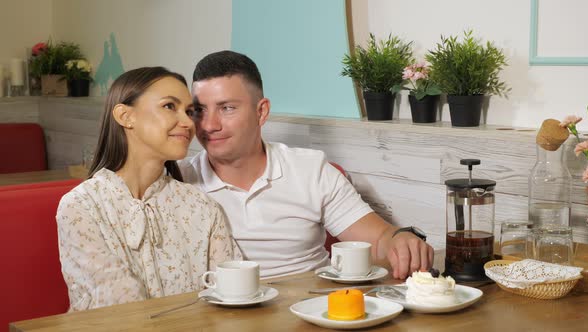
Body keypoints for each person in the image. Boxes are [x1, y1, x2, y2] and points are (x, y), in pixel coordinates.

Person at [179, 51, 434, 279]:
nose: (209, 125)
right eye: (199, 110)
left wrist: (400, 241)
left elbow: (378, 241)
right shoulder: (177, 181)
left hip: (310, 310)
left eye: (226, 108)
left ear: (261, 111)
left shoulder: (311, 170)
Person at [57, 67, 241, 311]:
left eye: (189, 111)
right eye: (169, 106)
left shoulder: (203, 207)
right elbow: (119, 306)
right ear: (125, 116)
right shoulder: (82, 207)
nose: (188, 122)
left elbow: (234, 294)